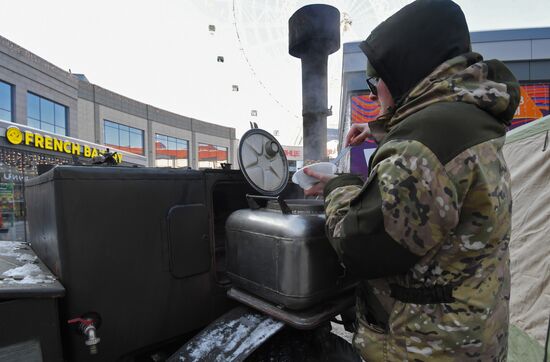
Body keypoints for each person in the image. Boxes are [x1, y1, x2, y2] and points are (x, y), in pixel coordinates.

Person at [304, 0, 520, 360]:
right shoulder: (468, 115)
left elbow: (359, 245)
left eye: (375, 82)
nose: (373, 95)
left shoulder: (422, 146)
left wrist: (336, 186)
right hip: (472, 333)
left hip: (424, 347)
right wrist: (380, 130)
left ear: (405, 72)